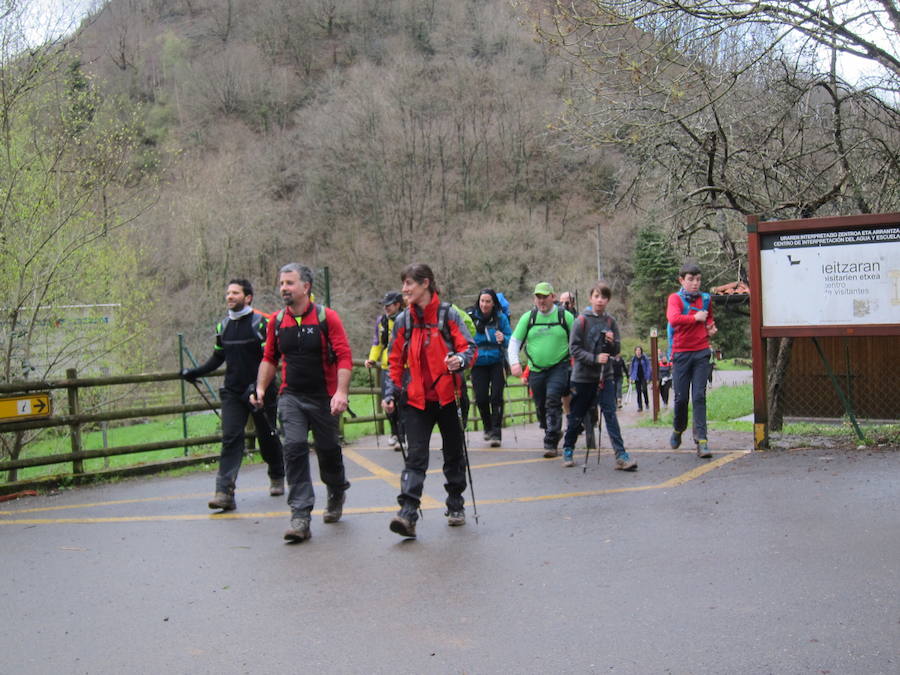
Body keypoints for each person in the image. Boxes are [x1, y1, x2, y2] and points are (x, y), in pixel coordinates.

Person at [251, 263, 353, 543]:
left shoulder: (326, 317)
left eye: (289, 283)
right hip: (291, 397)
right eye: (281, 283)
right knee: (294, 448)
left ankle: (336, 490)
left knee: (328, 450)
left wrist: (341, 392)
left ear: (305, 287)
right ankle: (300, 515)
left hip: (324, 398)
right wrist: (260, 388)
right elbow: (270, 358)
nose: (283, 288)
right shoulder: (276, 321)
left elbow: (344, 356)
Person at [382, 263, 477, 538]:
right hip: (416, 400)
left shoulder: (448, 315)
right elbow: (394, 362)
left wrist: (459, 360)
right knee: (416, 457)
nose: (404, 289)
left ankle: (455, 503)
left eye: (409, 283)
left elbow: (469, 348)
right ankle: (408, 513)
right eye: (404, 284)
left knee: (454, 453)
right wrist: (391, 392)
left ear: (425, 284)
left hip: (450, 396)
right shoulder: (403, 321)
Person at [181, 279, 285, 511]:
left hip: (261, 390)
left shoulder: (262, 323)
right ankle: (224, 492)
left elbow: (271, 359)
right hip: (233, 391)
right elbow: (218, 357)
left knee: (266, 435)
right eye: (228, 292)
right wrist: (195, 372)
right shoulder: (223, 326)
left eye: (235, 293)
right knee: (230, 437)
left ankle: (277, 475)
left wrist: (258, 386)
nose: (230, 296)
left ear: (248, 297)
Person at [561, 281, 636, 470]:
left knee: (610, 414)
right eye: (596, 296)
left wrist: (611, 344)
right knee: (577, 414)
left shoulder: (611, 322)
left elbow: (616, 348)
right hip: (583, 376)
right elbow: (574, 349)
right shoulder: (581, 321)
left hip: (605, 376)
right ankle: (568, 448)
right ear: (590, 298)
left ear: (608, 300)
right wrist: (595, 358)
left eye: (603, 297)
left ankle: (621, 454)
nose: (600, 300)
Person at [508, 282, 574, 457]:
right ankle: (550, 429)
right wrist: (514, 362)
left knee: (553, 399)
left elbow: (577, 340)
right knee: (540, 404)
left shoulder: (565, 316)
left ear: (553, 296)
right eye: (538, 297)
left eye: (545, 296)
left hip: (559, 366)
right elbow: (514, 342)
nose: (542, 300)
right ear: (534, 299)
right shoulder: (528, 318)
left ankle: (550, 441)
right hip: (535, 369)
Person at [667, 262, 717, 458]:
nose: (695, 283)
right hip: (680, 354)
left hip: (701, 352)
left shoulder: (705, 299)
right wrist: (695, 318)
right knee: (681, 398)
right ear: (682, 280)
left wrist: (711, 326)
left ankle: (702, 441)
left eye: (698, 279)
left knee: (699, 396)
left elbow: (709, 318)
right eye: (691, 280)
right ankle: (678, 429)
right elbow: (674, 319)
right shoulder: (675, 299)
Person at [467, 288, 512, 447]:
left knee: (496, 397)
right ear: (478, 302)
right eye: (482, 301)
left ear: (494, 303)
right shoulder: (471, 318)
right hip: (478, 363)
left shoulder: (501, 319)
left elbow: (511, 339)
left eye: (488, 301)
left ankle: (496, 432)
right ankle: (487, 427)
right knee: (480, 398)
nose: (484, 304)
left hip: (496, 362)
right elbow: (464, 339)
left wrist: (503, 338)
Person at [365, 291, 405, 450]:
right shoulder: (381, 321)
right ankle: (394, 432)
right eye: (385, 305)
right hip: (386, 366)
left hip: (404, 366)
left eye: (389, 305)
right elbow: (377, 343)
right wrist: (372, 358)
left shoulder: (407, 318)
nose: (386, 308)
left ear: (398, 305)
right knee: (387, 401)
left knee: (402, 402)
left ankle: (403, 434)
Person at [629, 345, 651, 412]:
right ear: (635, 352)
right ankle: (640, 406)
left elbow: (648, 367)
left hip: (643, 376)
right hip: (637, 377)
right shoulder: (634, 359)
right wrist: (631, 377)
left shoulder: (645, 358)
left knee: (644, 390)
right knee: (638, 392)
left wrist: (648, 376)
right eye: (637, 350)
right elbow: (632, 368)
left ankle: (647, 404)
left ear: (641, 351)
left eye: (639, 350)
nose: (638, 352)